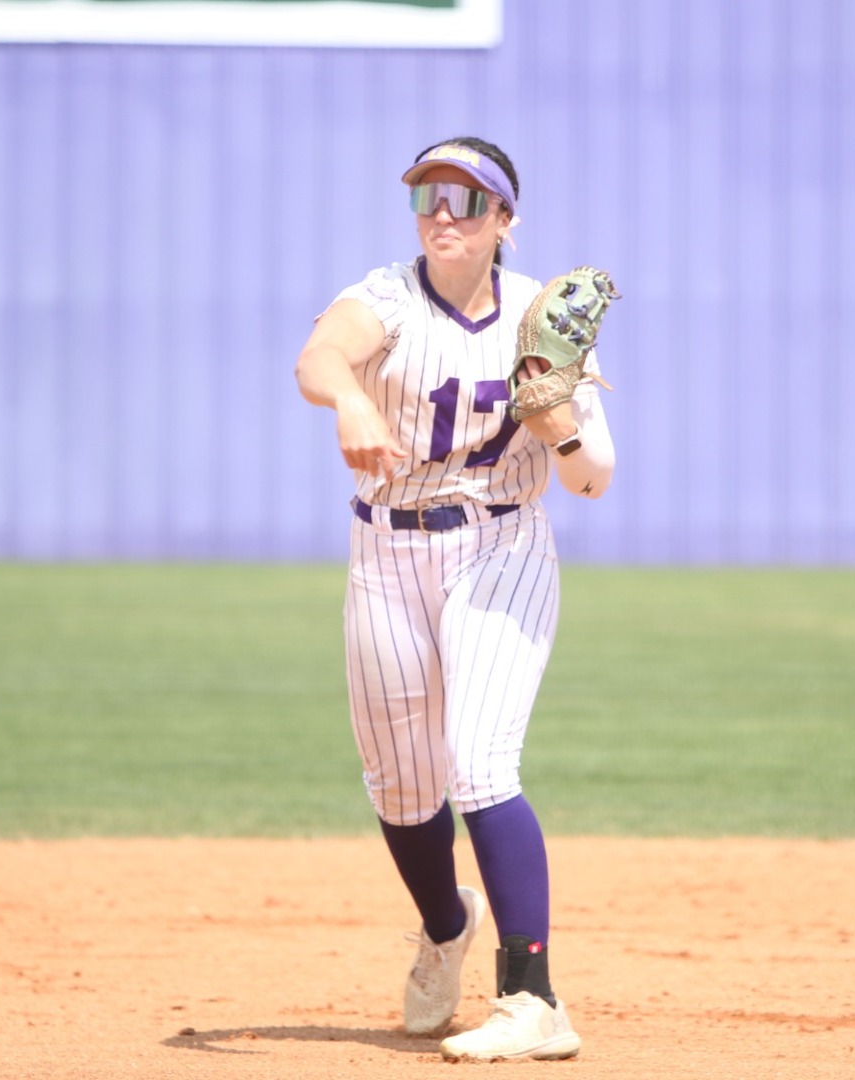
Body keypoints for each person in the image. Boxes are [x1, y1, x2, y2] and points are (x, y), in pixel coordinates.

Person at [294, 136, 614, 1062]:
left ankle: (534, 997)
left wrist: (557, 421)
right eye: (429, 195)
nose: (444, 212)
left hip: (501, 546)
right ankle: (446, 926)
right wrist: (349, 402)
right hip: (386, 553)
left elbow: (595, 480)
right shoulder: (388, 295)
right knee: (400, 786)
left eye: (468, 200)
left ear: (504, 222)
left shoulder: (541, 317)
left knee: (480, 762)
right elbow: (320, 356)